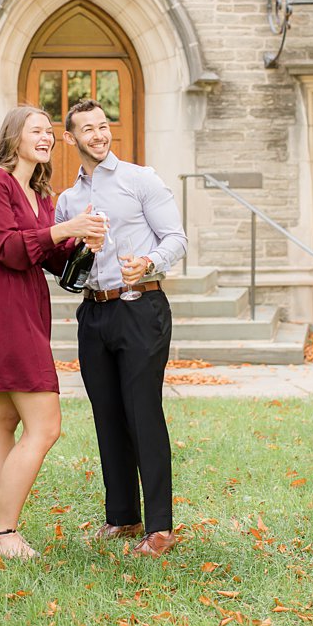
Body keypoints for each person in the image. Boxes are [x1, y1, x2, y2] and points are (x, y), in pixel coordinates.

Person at [0, 105, 108, 559]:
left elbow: (51, 261)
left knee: (3, 419)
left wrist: (81, 244)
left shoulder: (40, 192)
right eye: (36, 130)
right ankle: (5, 533)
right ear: (13, 136)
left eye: (49, 132)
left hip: (29, 305)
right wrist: (63, 229)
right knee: (46, 425)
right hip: (2, 305)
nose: (46, 137)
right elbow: (11, 250)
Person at [54, 98, 188, 557]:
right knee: (107, 414)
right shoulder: (67, 202)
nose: (98, 134)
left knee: (142, 412)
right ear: (70, 138)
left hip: (141, 307)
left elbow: (176, 238)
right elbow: (66, 272)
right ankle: (123, 517)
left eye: (102, 125)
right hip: (94, 314)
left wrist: (150, 261)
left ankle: (161, 528)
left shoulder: (140, 179)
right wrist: (79, 250)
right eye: (87, 129)